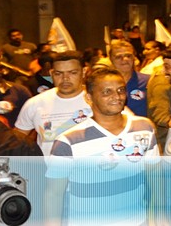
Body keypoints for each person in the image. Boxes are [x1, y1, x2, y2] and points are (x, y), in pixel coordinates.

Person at [46, 68, 159, 226]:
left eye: (120, 90)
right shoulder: (68, 141)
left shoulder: (144, 128)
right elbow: (54, 195)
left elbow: (156, 178)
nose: (117, 97)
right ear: (89, 98)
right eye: (107, 92)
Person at [15, 50, 92, 155]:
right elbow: (16, 141)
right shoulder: (35, 103)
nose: (65, 78)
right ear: (51, 73)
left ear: (84, 72)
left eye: (72, 73)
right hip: (49, 169)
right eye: (58, 73)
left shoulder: (98, 101)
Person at [109, 40, 149, 117]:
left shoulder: (148, 81)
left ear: (134, 57)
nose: (124, 59)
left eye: (128, 56)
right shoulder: (103, 84)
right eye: (118, 57)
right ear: (111, 59)